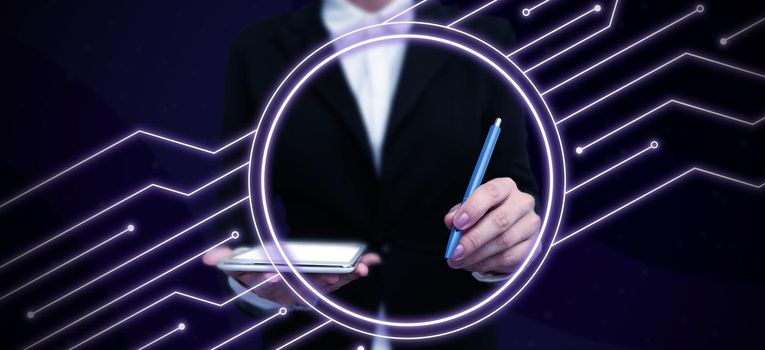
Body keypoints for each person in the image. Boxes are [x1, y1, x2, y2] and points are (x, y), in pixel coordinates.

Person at [202, 0, 542, 348]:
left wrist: (505, 244)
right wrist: (255, 285)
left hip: (447, 334)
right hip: (312, 333)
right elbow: (236, 208)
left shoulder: (482, 38)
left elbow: (514, 193)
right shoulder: (258, 47)